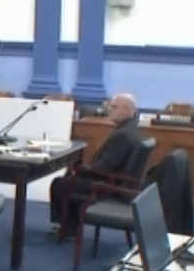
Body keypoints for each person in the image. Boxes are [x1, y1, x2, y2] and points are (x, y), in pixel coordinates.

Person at [48, 93, 144, 239]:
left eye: (114, 107)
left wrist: (82, 170)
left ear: (127, 110)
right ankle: (70, 225)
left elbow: (105, 167)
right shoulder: (131, 129)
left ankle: (68, 228)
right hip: (118, 180)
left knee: (60, 184)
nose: (109, 109)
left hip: (109, 185)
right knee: (69, 179)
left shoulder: (123, 135)